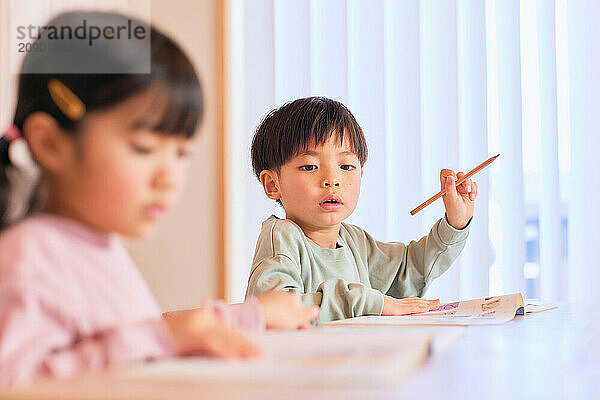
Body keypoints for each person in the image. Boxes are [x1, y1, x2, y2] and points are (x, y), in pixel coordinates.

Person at [0, 11, 318, 387]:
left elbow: (130, 341)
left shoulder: (89, 248)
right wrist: (165, 338)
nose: (170, 179)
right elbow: (17, 384)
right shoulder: (30, 257)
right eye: (144, 148)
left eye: (181, 154)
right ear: (50, 142)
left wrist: (251, 317)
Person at [246, 97, 477, 324]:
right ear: (272, 184)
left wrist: (454, 223)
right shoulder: (281, 236)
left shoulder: (354, 240)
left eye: (346, 166)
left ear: (361, 175)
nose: (332, 179)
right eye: (310, 166)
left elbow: (410, 271)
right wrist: (369, 301)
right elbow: (274, 314)